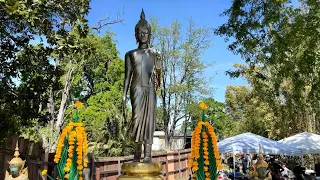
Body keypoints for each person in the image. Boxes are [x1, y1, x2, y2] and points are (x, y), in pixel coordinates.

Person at [122, 9, 162, 163]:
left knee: (149, 120)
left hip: (150, 89)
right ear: (136, 34)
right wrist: (123, 96)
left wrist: (159, 66)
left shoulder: (154, 53)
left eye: (145, 32)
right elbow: (127, 77)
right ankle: (137, 153)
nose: (143, 35)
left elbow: (159, 81)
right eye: (140, 32)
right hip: (136, 88)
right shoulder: (130, 54)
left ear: (149, 34)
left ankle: (148, 155)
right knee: (137, 119)